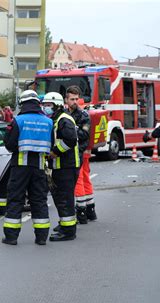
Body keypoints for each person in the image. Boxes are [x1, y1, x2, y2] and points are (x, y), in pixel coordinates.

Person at [2, 90, 53, 246]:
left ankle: (11, 237)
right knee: (39, 200)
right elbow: (51, 144)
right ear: (38, 103)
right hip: (39, 166)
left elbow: (9, 145)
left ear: (22, 103)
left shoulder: (18, 120)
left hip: (20, 166)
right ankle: (41, 237)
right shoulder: (48, 121)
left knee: (15, 199)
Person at [43, 92, 80, 242]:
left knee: (65, 199)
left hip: (66, 167)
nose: (46, 108)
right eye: (44, 105)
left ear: (57, 105)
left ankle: (68, 231)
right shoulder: (57, 119)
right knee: (60, 198)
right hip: (60, 166)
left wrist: (54, 152)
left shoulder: (64, 120)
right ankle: (64, 225)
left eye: (49, 105)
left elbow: (71, 140)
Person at [65, 85, 95, 224]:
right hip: (71, 152)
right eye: (72, 99)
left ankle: (82, 213)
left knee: (79, 181)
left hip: (79, 152)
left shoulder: (83, 115)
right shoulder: (65, 114)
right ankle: (90, 210)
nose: (75, 102)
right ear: (66, 100)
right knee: (83, 179)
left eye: (77, 99)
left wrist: (72, 129)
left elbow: (84, 134)